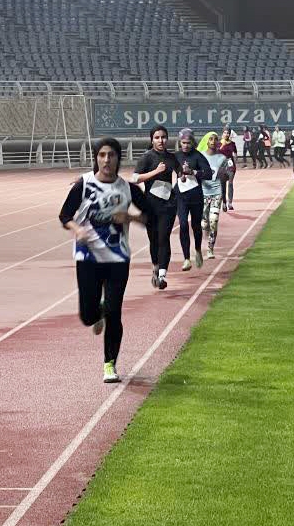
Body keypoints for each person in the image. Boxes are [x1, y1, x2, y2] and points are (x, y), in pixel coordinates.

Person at [59, 138, 153, 384]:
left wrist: (130, 217)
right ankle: (96, 312)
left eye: (111, 155)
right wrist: (76, 230)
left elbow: (149, 216)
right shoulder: (84, 185)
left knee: (115, 311)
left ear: (118, 158)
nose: (106, 160)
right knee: (88, 316)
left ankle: (109, 363)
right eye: (102, 155)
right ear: (96, 158)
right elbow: (64, 215)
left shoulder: (128, 188)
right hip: (88, 257)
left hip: (117, 258)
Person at [132, 126, 180, 290]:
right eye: (157, 137)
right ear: (152, 139)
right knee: (154, 239)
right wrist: (155, 171)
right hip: (151, 204)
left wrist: (185, 173)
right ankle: (155, 267)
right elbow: (135, 178)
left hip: (168, 203)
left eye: (164, 137)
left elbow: (181, 174)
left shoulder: (172, 157)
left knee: (164, 237)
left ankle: (162, 275)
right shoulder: (146, 157)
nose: (161, 140)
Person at [174, 128, 212, 271]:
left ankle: (197, 250)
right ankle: (186, 259)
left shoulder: (198, 156)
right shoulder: (176, 156)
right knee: (183, 224)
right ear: (179, 142)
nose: (185, 145)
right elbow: (175, 171)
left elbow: (208, 173)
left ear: (192, 142)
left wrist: (193, 172)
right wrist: (180, 175)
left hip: (196, 196)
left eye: (188, 143)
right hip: (181, 196)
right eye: (183, 142)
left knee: (196, 225)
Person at [198, 131, 228, 260]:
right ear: (206, 141)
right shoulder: (200, 157)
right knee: (204, 224)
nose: (213, 141)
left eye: (216, 139)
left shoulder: (222, 158)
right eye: (211, 139)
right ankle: (206, 229)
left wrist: (225, 199)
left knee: (214, 221)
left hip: (217, 193)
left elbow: (225, 179)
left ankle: (210, 249)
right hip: (203, 194)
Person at [218, 127, 238, 210]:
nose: (226, 134)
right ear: (222, 134)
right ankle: (224, 203)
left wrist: (234, 162)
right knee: (222, 185)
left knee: (230, 183)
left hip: (230, 166)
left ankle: (230, 203)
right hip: (221, 166)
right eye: (225, 133)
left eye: (228, 133)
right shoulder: (218, 143)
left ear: (230, 134)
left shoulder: (232, 144)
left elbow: (235, 153)